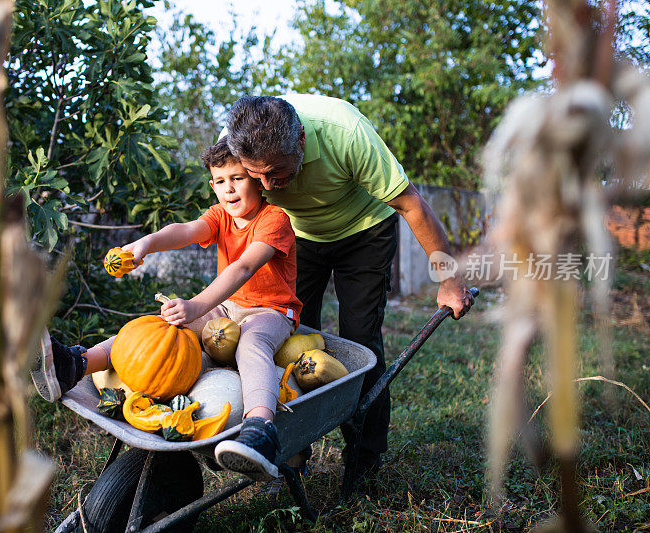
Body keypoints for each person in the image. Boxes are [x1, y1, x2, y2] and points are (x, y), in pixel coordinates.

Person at [223, 94, 474, 476]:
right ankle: (289, 452)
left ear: (301, 139)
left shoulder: (345, 133)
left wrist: (450, 280)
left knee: (359, 343)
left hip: (364, 232)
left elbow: (412, 205)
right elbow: (226, 213)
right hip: (296, 238)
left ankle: (364, 458)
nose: (266, 184)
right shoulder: (237, 142)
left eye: (275, 172)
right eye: (255, 174)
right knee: (280, 338)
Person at [31, 137, 302, 481]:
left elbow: (243, 268)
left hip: (271, 312)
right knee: (156, 332)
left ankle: (260, 429)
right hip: (226, 309)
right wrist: (145, 244)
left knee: (251, 345)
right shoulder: (220, 215)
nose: (229, 190)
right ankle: (76, 364)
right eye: (220, 181)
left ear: (257, 178)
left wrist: (197, 305)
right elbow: (185, 230)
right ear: (212, 185)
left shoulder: (273, 219)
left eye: (238, 178)